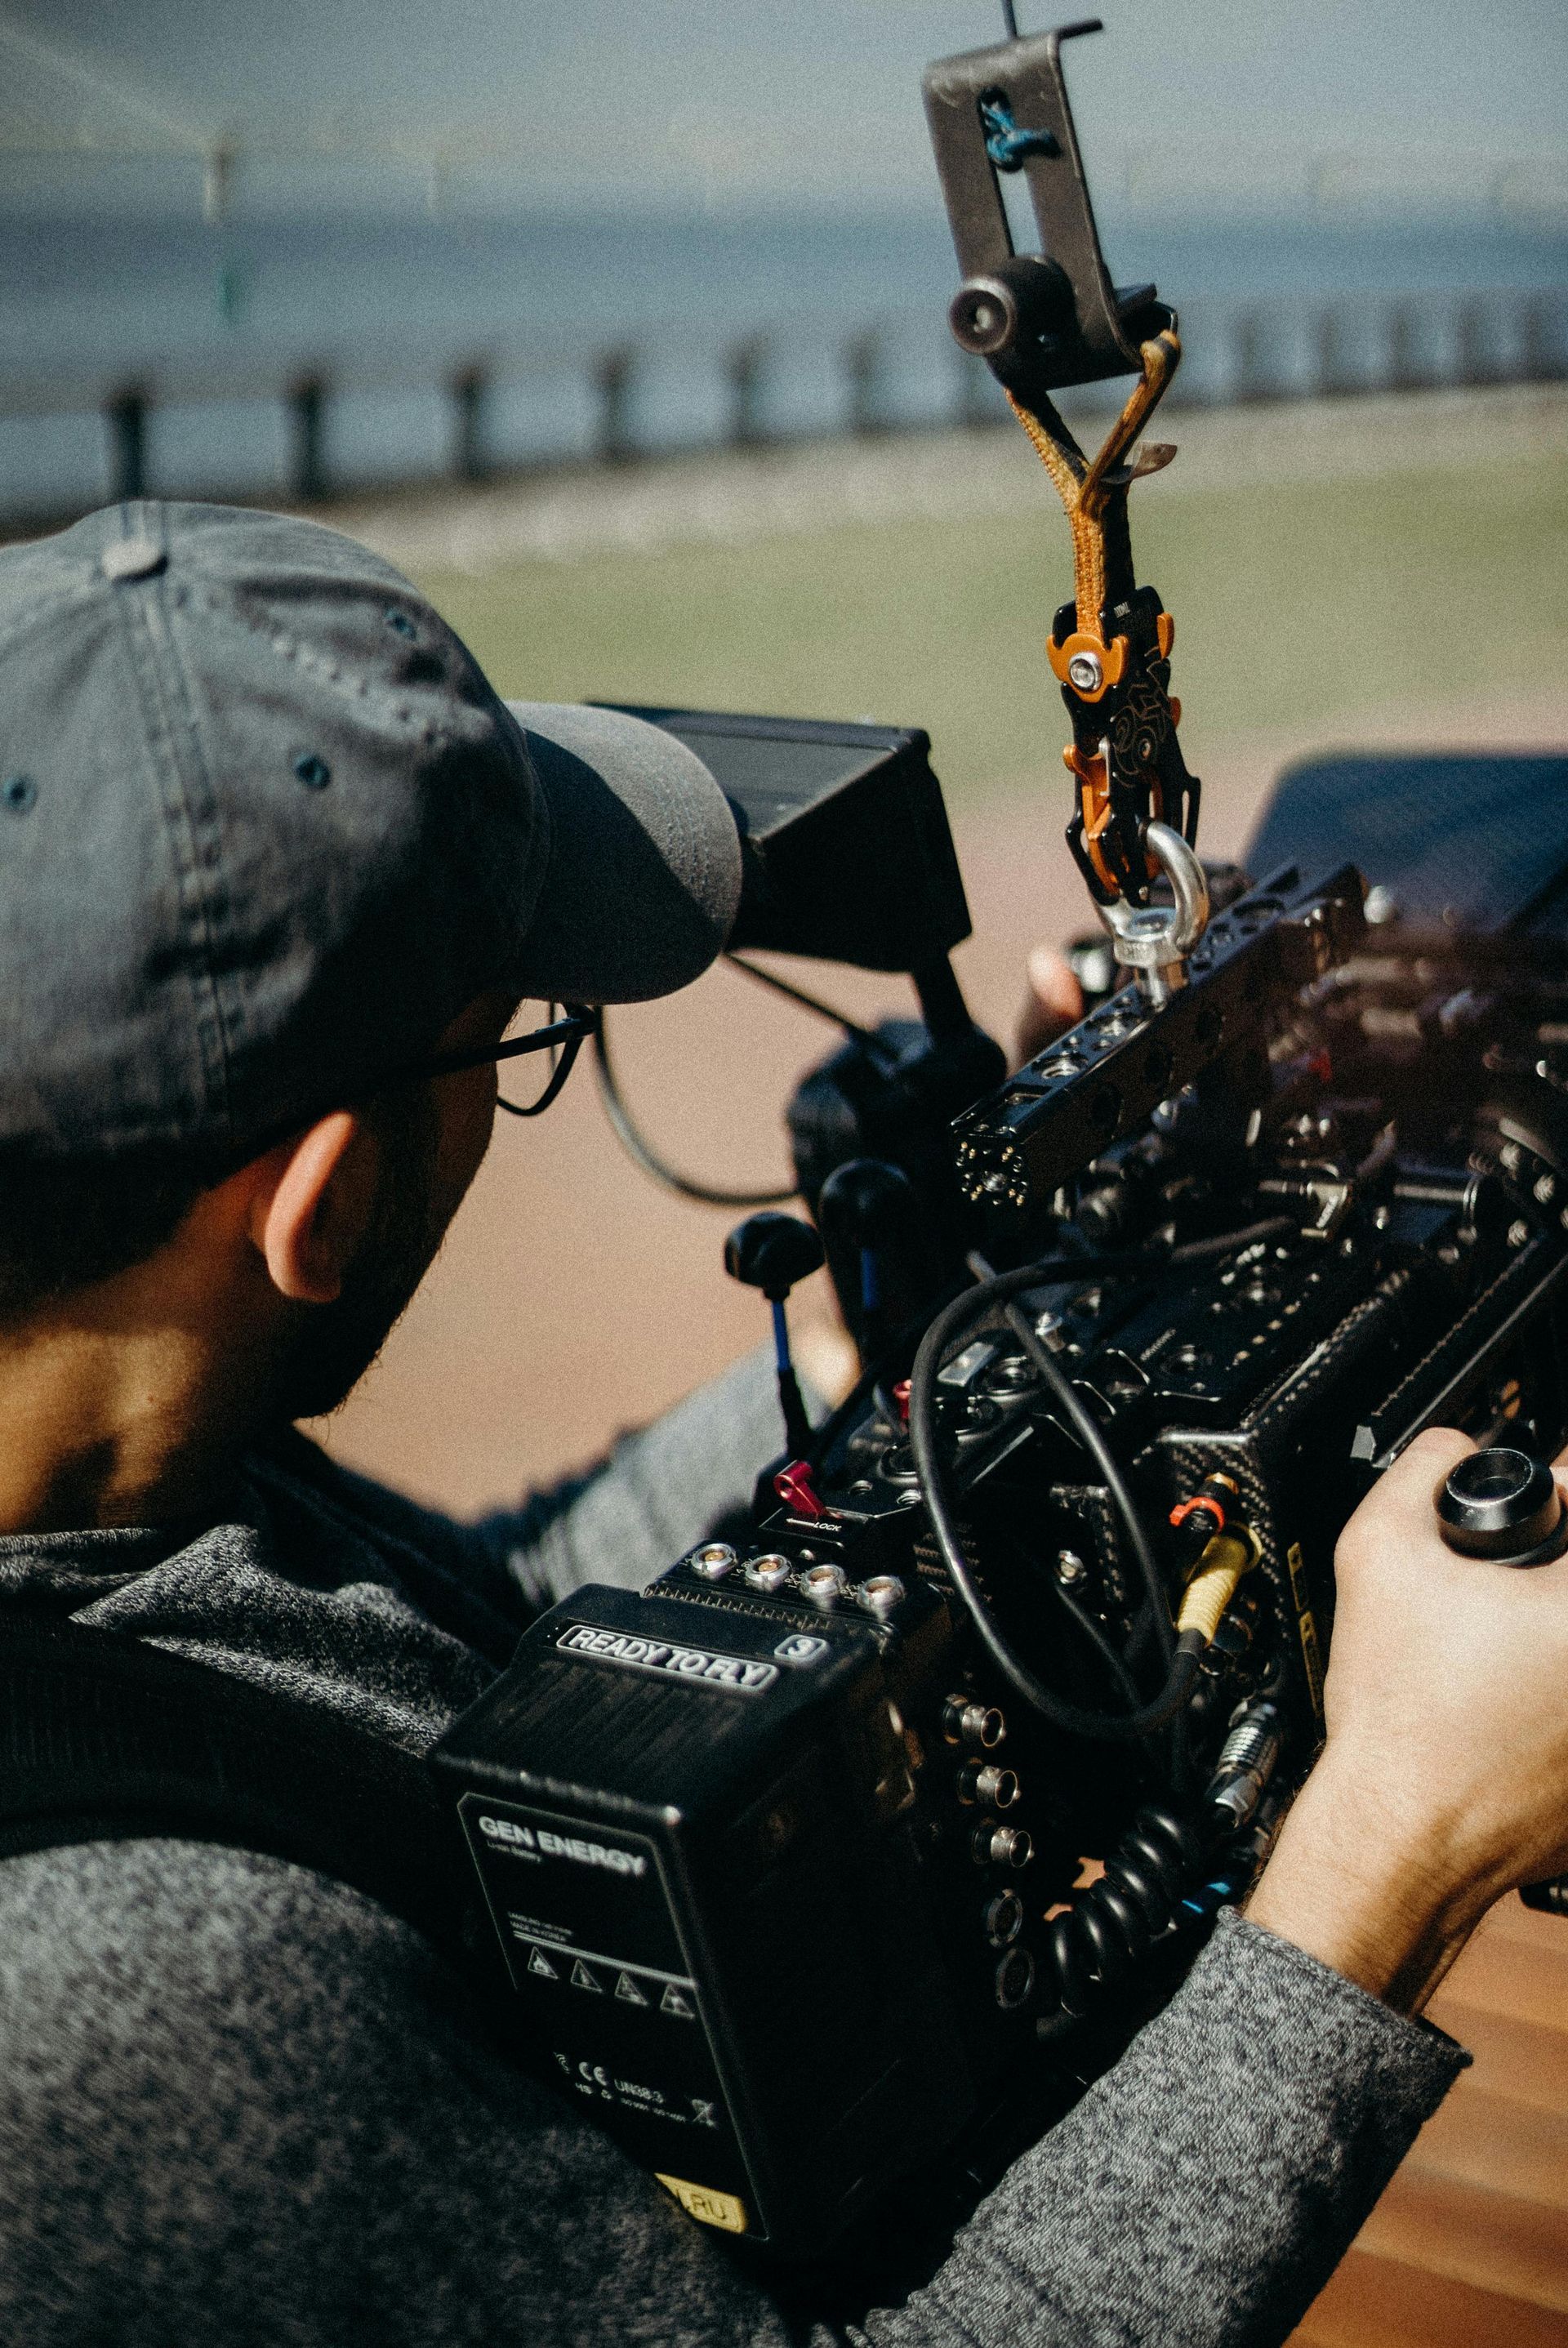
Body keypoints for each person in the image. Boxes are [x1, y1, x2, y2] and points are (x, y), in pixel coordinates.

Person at [0, 498, 1563, 2348]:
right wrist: (1397, 1841)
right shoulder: (140, 2007)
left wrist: (890, 1342)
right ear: (315, 1208)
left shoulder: (113, 1458)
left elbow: (430, 1665)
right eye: (518, 1041)